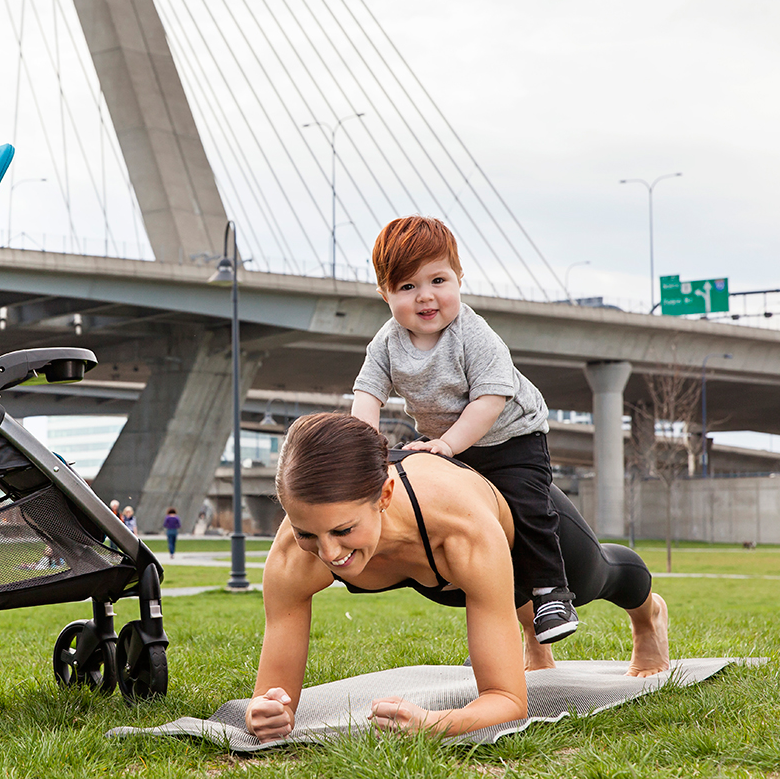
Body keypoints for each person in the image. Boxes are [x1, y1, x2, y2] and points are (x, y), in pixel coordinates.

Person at [246, 413, 669, 741]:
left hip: (519, 534)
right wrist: (265, 711)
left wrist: (436, 722)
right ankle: (532, 646)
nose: (328, 553)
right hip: (441, 572)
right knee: (489, 594)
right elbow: (272, 694)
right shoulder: (293, 553)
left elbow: (507, 700)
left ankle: (649, 616)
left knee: (599, 578)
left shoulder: (460, 528)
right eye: (307, 532)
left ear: (385, 496)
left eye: (342, 531)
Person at [352, 216, 578, 645]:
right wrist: (366, 456)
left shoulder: (474, 334)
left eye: (438, 279)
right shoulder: (385, 343)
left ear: (459, 278)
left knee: (529, 508)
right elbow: (367, 397)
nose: (426, 296)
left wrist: (450, 445)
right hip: (444, 444)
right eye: (407, 287)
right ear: (384, 294)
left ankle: (552, 592)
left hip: (510, 437)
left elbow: (489, 401)